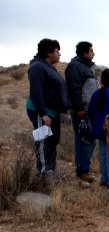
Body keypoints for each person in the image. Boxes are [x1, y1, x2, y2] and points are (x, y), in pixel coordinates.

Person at [27, 38, 70, 176]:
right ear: (48, 53)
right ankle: (44, 174)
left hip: (52, 112)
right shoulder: (37, 67)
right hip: (42, 111)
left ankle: (50, 170)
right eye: (57, 51)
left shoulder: (49, 67)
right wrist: (43, 113)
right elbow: (36, 92)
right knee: (43, 142)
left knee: (52, 141)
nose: (59, 54)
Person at [65, 41, 98, 183]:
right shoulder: (75, 67)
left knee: (90, 138)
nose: (93, 53)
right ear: (84, 52)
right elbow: (73, 89)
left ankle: (84, 168)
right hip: (81, 111)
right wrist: (79, 109)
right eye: (91, 51)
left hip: (88, 110)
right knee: (84, 139)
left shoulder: (86, 67)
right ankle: (82, 171)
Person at [88, 69, 109, 189]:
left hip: (99, 129)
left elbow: (91, 112)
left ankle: (104, 179)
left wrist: (97, 124)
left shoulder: (96, 93)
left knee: (103, 153)